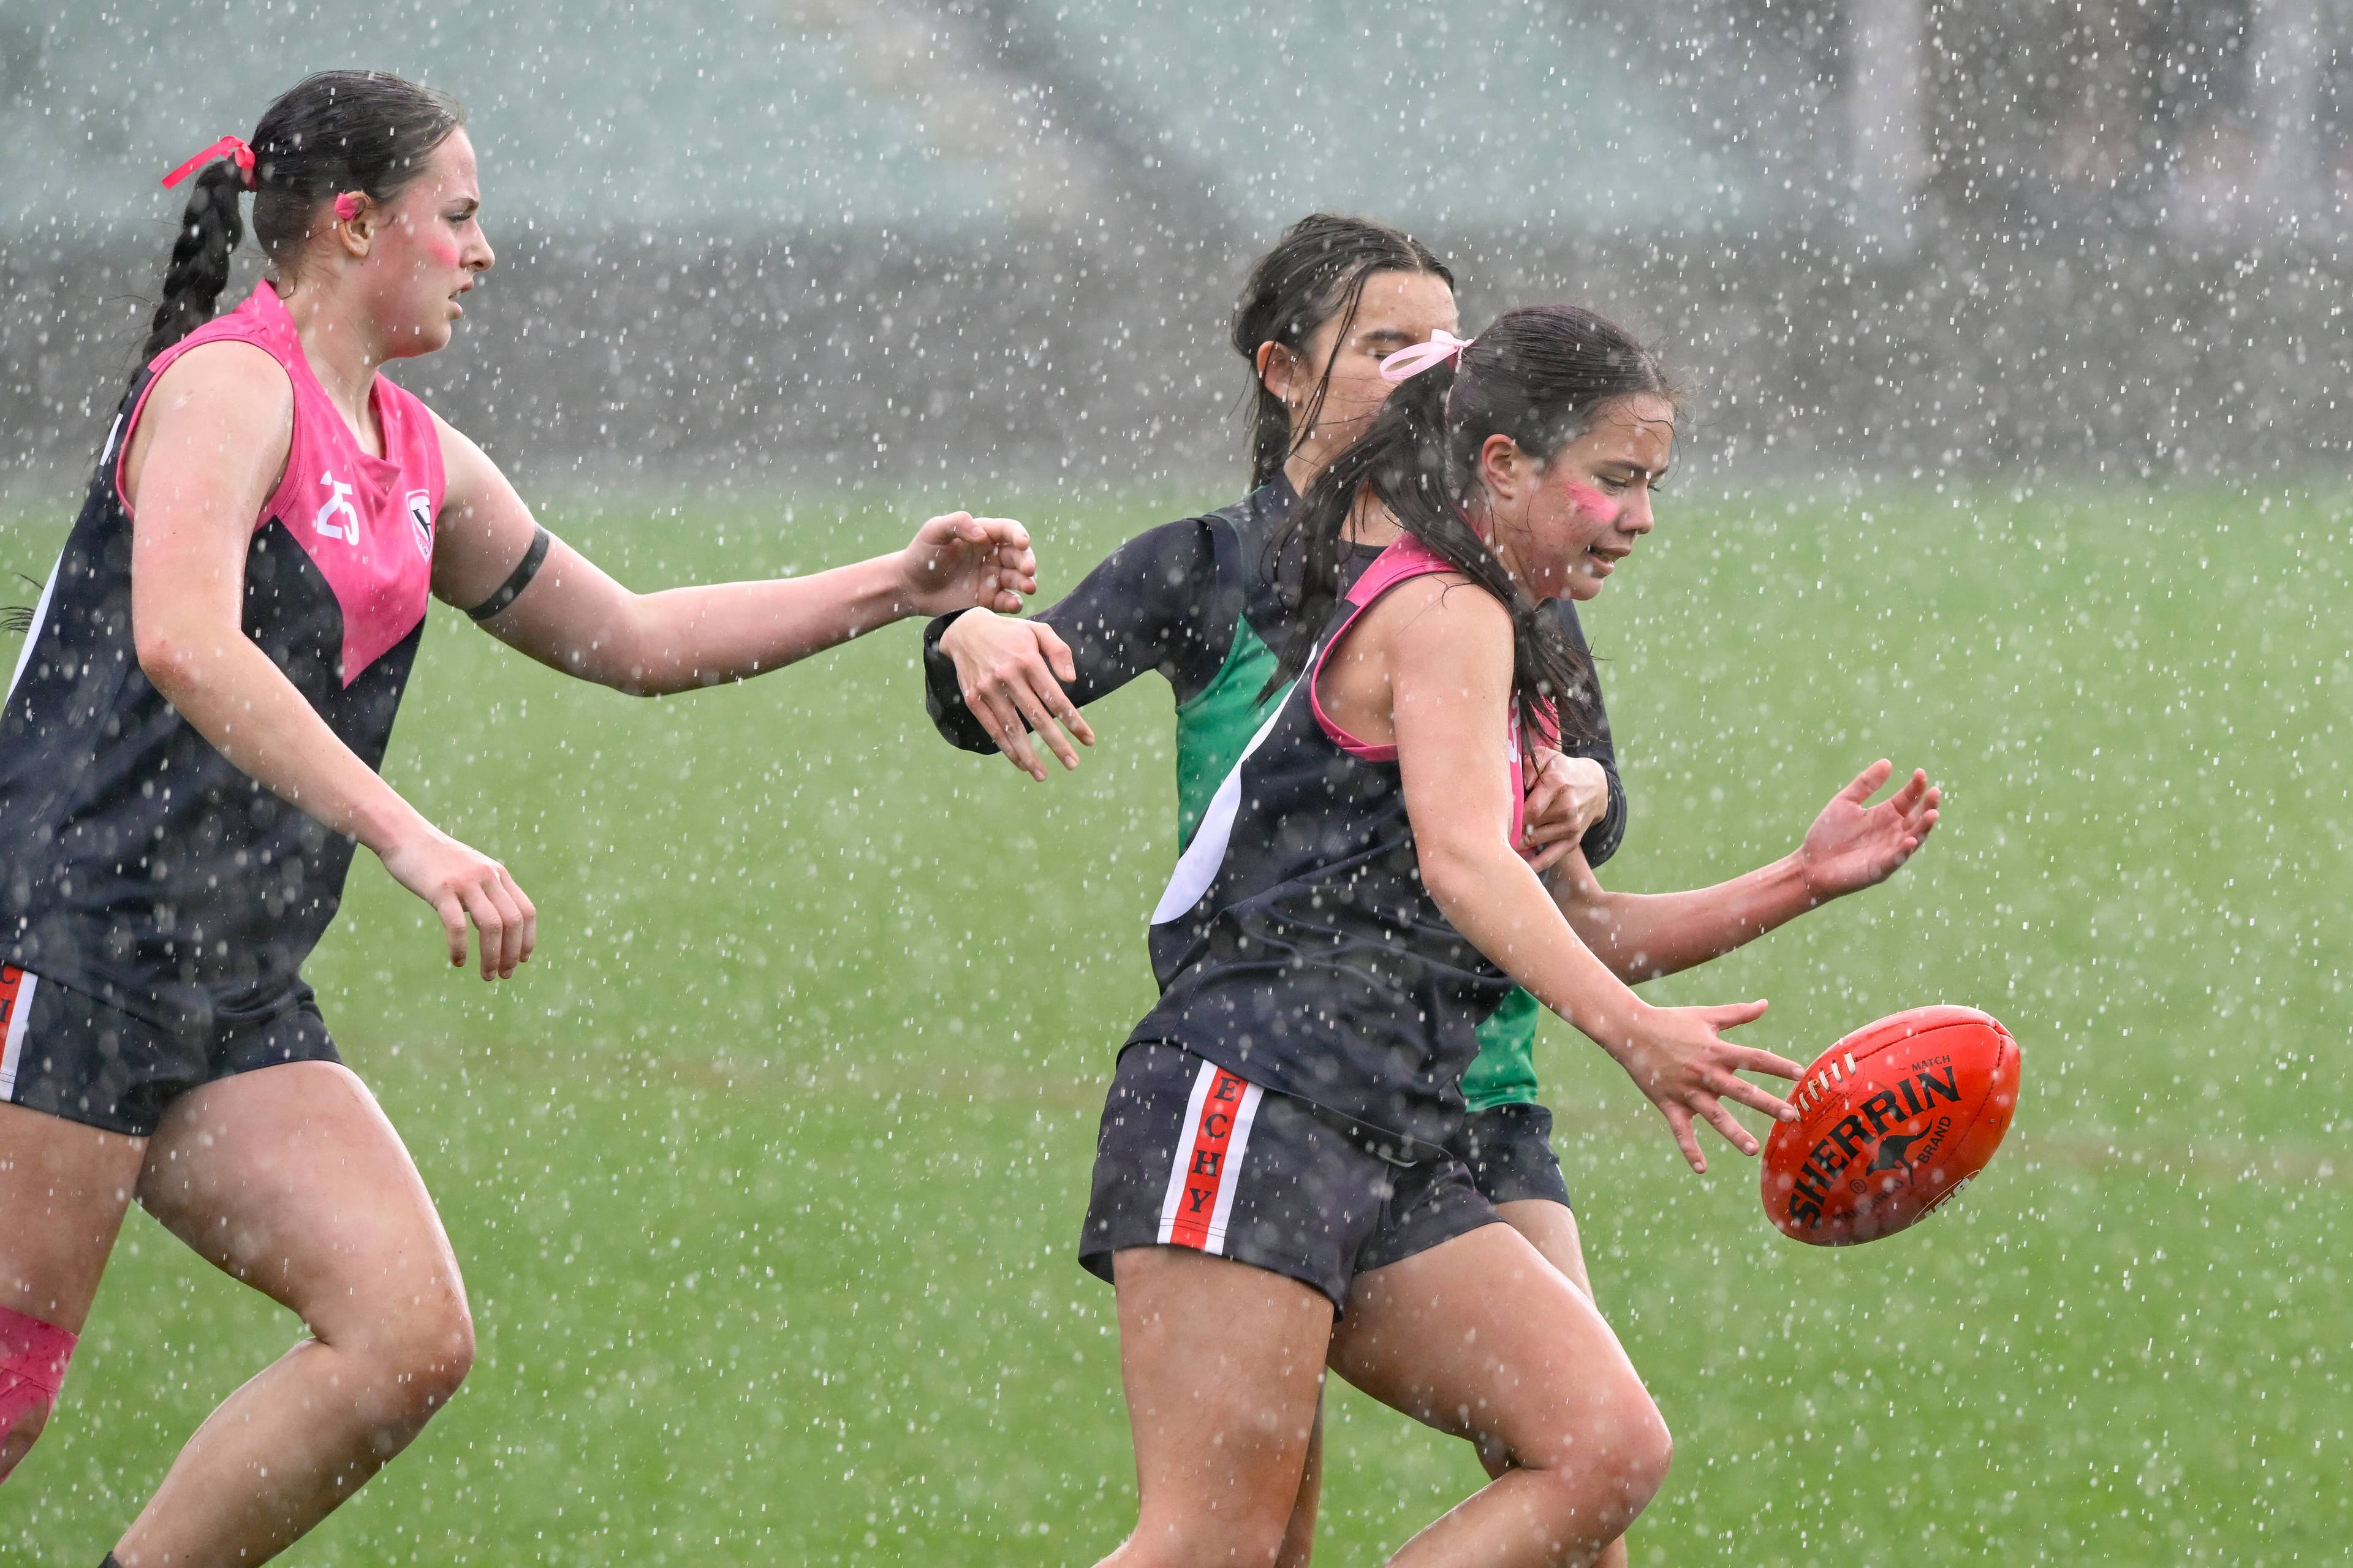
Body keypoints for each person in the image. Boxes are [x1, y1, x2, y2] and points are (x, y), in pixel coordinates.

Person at [0, 72, 1036, 1566]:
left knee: (403, 1334)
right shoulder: (233, 385)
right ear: (354, 225)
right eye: (459, 218)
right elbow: (186, 639)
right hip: (64, 944)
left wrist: (897, 584)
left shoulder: (418, 455)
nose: (484, 252)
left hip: (219, 986)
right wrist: (410, 836)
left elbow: (633, 635)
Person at [925, 219, 1938, 1565]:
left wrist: (1799, 877)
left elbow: (1574, 900)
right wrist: (958, 626)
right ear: (1500, 461)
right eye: (1617, 481)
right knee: (1225, 1546)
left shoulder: (1504, 619)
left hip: (1415, 1109)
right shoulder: (1400, 598)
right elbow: (1467, 860)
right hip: (1264, 1085)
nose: (1641, 518)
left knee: (1605, 1453)